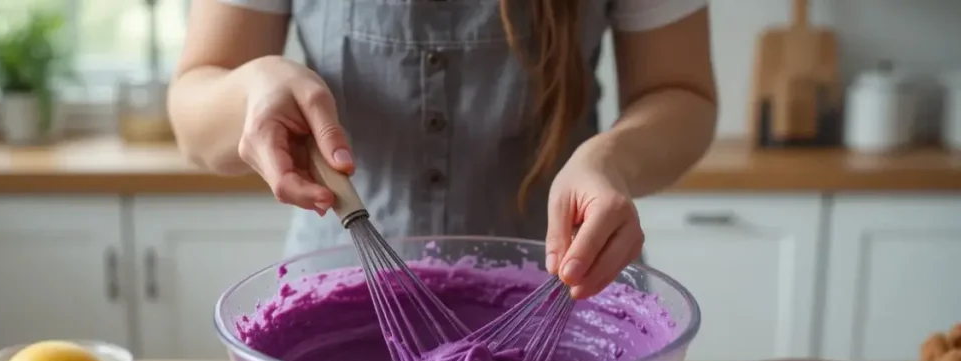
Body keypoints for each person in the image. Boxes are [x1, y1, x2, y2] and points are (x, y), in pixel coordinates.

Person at [169, 0, 717, 299]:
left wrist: (611, 159)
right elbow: (194, 116)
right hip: (340, 294)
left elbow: (682, 95)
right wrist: (254, 86)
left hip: (563, 299)